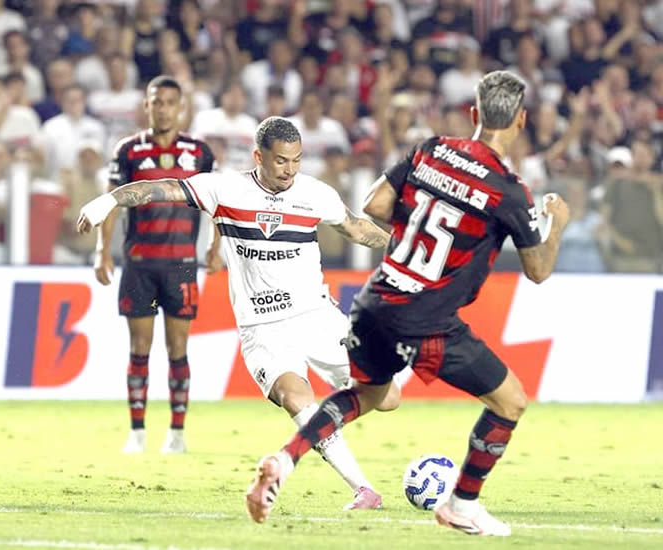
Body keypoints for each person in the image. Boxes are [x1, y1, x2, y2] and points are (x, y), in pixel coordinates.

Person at [242, 71, 571, 535]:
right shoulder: (509, 189)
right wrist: (556, 224)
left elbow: (376, 204)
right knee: (510, 401)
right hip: (427, 316)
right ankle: (461, 505)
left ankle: (285, 459)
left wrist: (421, 224)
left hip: (376, 300)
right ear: (521, 121)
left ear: (474, 113)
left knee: (368, 395)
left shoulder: (431, 150)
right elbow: (537, 270)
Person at [78, 116, 402, 510]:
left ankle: (327, 421)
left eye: (296, 160)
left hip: (316, 316)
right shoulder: (224, 189)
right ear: (258, 157)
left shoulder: (316, 194)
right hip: (262, 328)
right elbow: (158, 189)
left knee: (388, 398)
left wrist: (406, 250)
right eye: (281, 161)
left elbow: (357, 228)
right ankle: (363, 489)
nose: (290, 170)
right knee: (295, 397)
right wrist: (109, 200)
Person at [94, 75, 218, 455]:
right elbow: (112, 201)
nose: (163, 109)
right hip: (139, 264)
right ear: (146, 106)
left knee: (178, 348)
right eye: (156, 102)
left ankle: (177, 433)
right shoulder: (128, 151)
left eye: (169, 102)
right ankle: (137, 433)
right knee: (139, 348)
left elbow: (216, 201)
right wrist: (102, 249)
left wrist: (214, 246)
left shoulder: (200, 153)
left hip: (182, 264)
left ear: (181, 108)